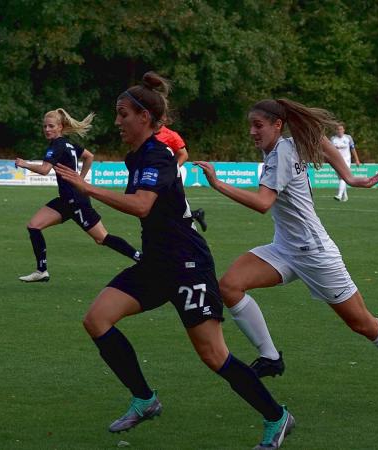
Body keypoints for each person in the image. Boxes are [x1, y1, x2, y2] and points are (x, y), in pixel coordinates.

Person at [53, 73, 294, 450]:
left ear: (145, 117)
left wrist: (87, 188)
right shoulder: (138, 156)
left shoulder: (157, 155)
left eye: (123, 114)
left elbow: (142, 205)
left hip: (187, 265)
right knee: (97, 320)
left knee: (214, 355)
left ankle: (276, 416)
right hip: (157, 262)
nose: (117, 122)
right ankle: (145, 400)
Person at [194, 98, 378, 417]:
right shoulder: (290, 144)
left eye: (258, 125)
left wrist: (217, 184)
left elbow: (264, 203)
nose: (252, 131)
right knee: (230, 286)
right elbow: (321, 142)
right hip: (284, 249)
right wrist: (348, 177)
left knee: (361, 323)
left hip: (316, 255)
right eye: (250, 125)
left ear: (277, 125)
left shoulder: (281, 151)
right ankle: (270, 357)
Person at [15, 108, 141, 283]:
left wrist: (24, 164)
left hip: (76, 201)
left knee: (101, 238)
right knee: (34, 226)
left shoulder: (58, 145)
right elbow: (89, 156)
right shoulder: (68, 143)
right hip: (67, 199)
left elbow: (44, 170)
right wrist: (79, 180)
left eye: (51, 126)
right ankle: (41, 271)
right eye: (44, 126)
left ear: (60, 127)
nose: (47, 129)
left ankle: (141, 259)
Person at [155, 123, 208, 231]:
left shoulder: (171, 135)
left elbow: (184, 155)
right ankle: (196, 214)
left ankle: (192, 237)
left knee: (174, 209)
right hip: (154, 178)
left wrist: (170, 170)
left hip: (168, 178)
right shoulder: (146, 134)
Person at [329, 123, 360, 201]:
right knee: (341, 178)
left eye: (341, 129)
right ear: (336, 131)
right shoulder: (333, 139)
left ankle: (339, 195)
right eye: (338, 129)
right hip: (336, 161)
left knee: (343, 177)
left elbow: (353, 149)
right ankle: (345, 195)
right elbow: (329, 151)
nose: (339, 131)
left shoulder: (348, 138)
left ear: (344, 130)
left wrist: (357, 159)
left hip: (346, 160)